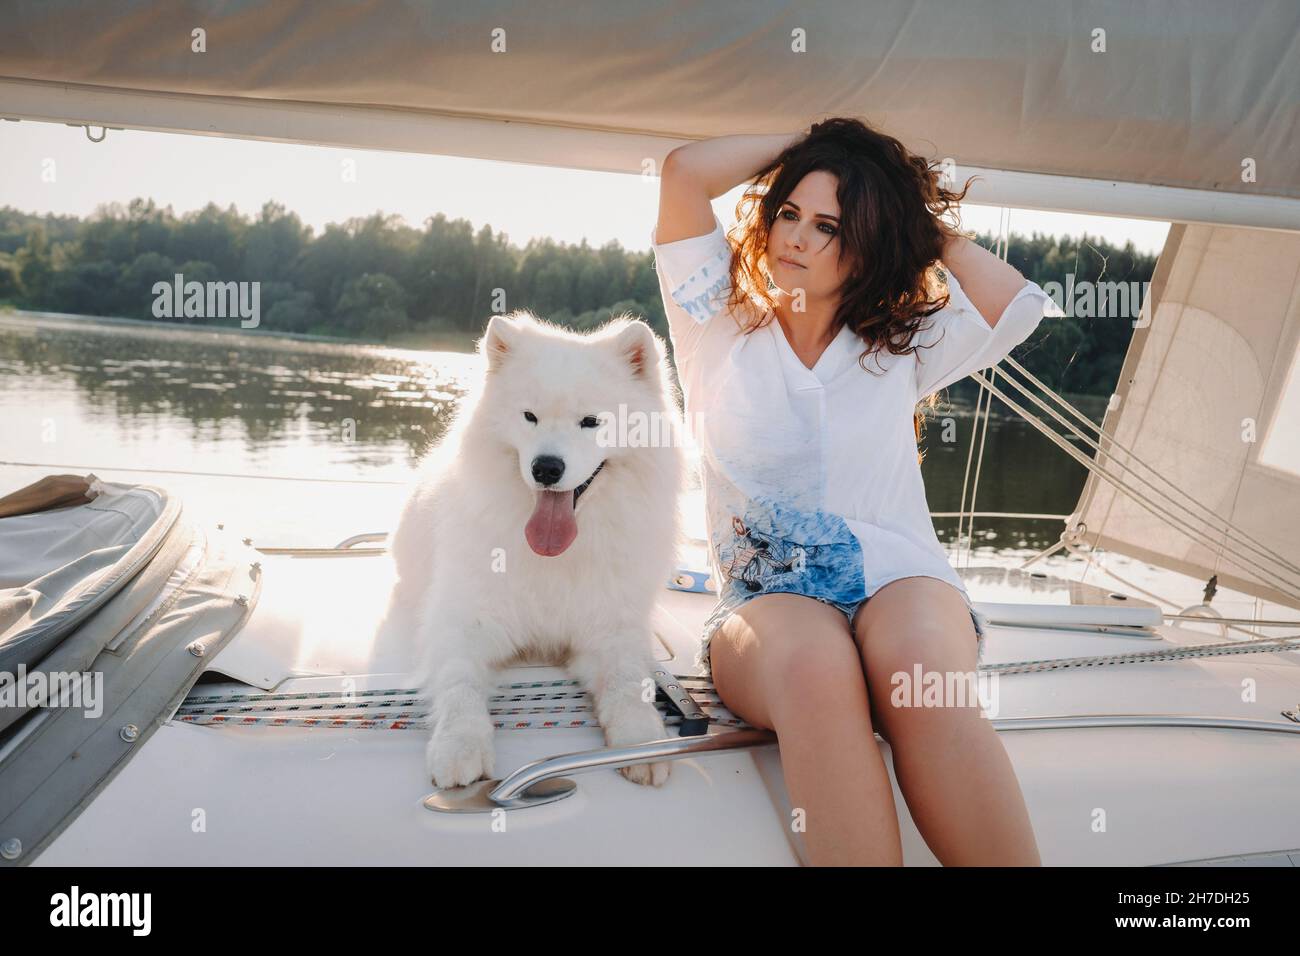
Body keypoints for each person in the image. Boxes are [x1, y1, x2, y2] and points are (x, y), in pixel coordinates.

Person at [652, 117, 1052, 866]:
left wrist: (901, 210)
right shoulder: (713, 323)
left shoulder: (900, 345)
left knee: (917, 672)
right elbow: (682, 173)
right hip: (768, 599)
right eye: (790, 215)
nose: (795, 238)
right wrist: (815, 143)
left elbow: (1015, 301)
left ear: (867, 244)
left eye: (829, 226)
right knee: (815, 669)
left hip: (900, 577)